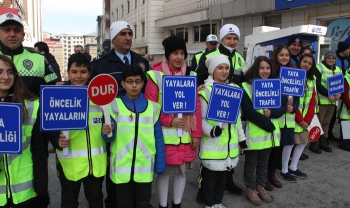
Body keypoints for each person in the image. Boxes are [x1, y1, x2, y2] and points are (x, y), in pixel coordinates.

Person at [90, 20, 149, 208]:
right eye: (123, 34)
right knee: (114, 167)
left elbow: (148, 91)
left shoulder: (142, 62)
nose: (128, 38)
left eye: (129, 34)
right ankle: (114, 202)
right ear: (113, 39)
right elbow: (90, 90)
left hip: (136, 125)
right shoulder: (101, 64)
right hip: (111, 125)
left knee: (135, 165)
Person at [144, 35, 202, 208]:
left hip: (185, 136)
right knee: (164, 173)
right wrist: (170, 121)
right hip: (163, 137)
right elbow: (150, 109)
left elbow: (196, 107)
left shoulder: (191, 75)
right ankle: (163, 205)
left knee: (181, 173)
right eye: (175, 53)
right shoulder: (155, 76)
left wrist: (197, 134)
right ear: (167, 55)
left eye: (182, 53)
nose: (179, 57)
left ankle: (177, 204)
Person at [194, 23, 245, 198]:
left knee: (227, 151)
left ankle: (227, 182)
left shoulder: (239, 57)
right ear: (222, 39)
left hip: (231, 105)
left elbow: (242, 80)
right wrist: (200, 88)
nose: (232, 41)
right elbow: (200, 76)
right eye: (228, 38)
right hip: (211, 108)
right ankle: (203, 188)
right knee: (210, 161)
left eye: (235, 38)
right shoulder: (211, 55)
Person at [55, 53, 111, 208]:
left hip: (95, 163)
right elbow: (49, 126)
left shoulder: (100, 95)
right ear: (68, 72)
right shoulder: (57, 96)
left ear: (90, 73)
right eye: (74, 72)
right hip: (69, 162)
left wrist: (109, 132)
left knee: (96, 200)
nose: (78, 76)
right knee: (69, 202)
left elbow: (108, 122)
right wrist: (56, 141)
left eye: (83, 72)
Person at [105, 65, 166, 208]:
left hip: (144, 168)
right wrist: (107, 132)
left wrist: (160, 164)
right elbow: (108, 138)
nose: (134, 85)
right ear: (123, 84)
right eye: (130, 81)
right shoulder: (114, 105)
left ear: (143, 83)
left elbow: (158, 138)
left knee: (143, 203)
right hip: (121, 168)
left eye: (137, 81)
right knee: (123, 204)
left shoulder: (154, 108)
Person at [0, 54, 49, 208]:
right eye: (0, 72)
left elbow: (39, 150)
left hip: (26, 194)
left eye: (10, 72)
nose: (5, 77)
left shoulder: (31, 105)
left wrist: (41, 189)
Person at [241, 56, 285, 206]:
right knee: (251, 163)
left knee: (263, 163)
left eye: (267, 68)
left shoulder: (275, 85)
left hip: (270, 136)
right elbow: (247, 111)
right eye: (262, 68)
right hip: (255, 134)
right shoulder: (246, 86)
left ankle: (260, 187)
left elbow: (282, 108)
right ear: (256, 69)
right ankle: (250, 189)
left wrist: (272, 114)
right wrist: (268, 124)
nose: (265, 71)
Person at [0, 12, 60, 95]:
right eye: (6, 29)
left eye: (17, 30)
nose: (12, 34)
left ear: (23, 35)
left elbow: (54, 85)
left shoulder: (40, 59)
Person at [280, 53, 317, 182]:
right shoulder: (292, 76)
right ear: (300, 62)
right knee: (289, 144)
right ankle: (284, 170)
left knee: (303, 143)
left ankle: (293, 167)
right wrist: (300, 120)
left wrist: (307, 120)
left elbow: (312, 101)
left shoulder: (312, 80)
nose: (306, 65)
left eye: (310, 63)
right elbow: (292, 100)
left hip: (306, 120)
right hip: (294, 117)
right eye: (305, 61)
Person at [311, 50, 342, 153]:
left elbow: (340, 85)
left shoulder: (339, 70)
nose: (331, 60)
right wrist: (328, 94)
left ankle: (323, 142)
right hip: (322, 100)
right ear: (325, 58)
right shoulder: (319, 67)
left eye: (333, 58)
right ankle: (314, 144)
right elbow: (318, 84)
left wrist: (339, 94)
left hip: (333, 102)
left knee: (327, 123)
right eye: (329, 58)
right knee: (318, 122)